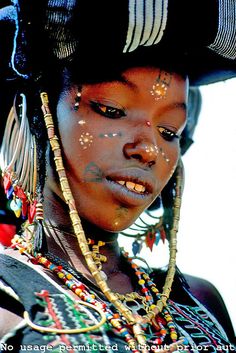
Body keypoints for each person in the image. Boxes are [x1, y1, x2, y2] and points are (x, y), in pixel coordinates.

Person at [0, 1, 236, 352]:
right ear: (41, 113)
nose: (149, 149)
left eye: (169, 131)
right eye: (111, 110)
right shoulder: (7, 301)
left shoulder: (201, 301)